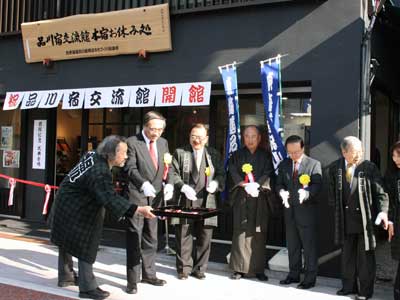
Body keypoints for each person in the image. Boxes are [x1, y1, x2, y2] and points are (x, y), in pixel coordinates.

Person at [50, 135, 155, 300]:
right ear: (111, 153)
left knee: (66, 241)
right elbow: (108, 197)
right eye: (124, 153)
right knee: (87, 244)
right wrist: (138, 209)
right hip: (75, 207)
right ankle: (87, 288)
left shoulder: (92, 155)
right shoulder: (100, 171)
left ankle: (66, 277)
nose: (126, 156)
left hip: (66, 202)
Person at [328, 136, 389, 300]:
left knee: (365, 259)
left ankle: (365, 292)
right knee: (347, 256)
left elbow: (380, 192)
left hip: (365, 221)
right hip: (345, 220)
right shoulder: (335, 168)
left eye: (360, 151)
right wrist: (337, 209)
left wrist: (383, 211)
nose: (359, 155)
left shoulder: (369, 167)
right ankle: (348, 288)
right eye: (355, 152)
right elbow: (331, 193)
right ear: (344, 151)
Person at [124, 111, 172, 294]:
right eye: (153, 129)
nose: (156, 133)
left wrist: (169, 184)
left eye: (160, 129)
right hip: (137, 195)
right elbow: (130, 167)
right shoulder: (132, 142)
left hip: (156, 197)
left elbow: (166, 167)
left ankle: (149, 274)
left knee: (152, 237)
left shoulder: (163, 142)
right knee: (134, 237)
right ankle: (132, 280)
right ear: (145, 126)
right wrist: (142, 183)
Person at [170, 123, 225, 280]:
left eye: (200, 137)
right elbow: (173, 173)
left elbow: (221, 173)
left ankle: (200, 269)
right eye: (193, 136)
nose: (196, 140)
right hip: (186, 198)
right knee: (183, 235)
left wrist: (216, 184)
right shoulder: (180, 152)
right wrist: (182, 187)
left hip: (207, 199)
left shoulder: (213, 154)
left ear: (206, 138)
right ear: (189, 136)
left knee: (205, 236)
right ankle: (183, 269)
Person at [227, 125, 274, 281]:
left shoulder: (266, 156)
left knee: (259, 233)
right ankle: (238, 268)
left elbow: (268, 171)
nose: (250, 139)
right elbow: (232, 170)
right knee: (240, 232)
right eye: (247, 136)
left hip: (259, 198)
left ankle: (258, 268)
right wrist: (243, 184)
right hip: (242, 197)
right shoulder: (237, 155)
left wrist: (257, 184)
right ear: (243, 138)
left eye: (253, 136)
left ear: (259, 138)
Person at [276, 135, 322, 290]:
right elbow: (279, 183)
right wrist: (281, 191)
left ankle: (310, 278)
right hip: (289, 212)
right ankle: (293, 274)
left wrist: (307, 193)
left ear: (303, 148)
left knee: (309, 247)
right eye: (290, 152)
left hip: (306, 212)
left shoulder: (313, 164)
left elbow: (317, 185)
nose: (293, 155)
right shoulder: (284, 164)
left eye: (296, 152)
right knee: (293, 245)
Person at [384, 141, 400, 300]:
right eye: (394, 156)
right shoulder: (391, 175)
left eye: (398, 155)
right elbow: (388, 199)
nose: (395, 159)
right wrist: (390, 221)